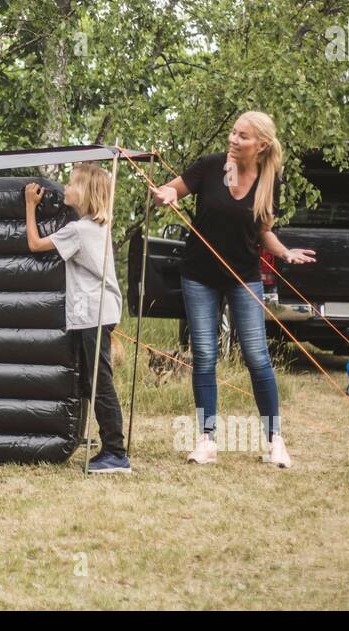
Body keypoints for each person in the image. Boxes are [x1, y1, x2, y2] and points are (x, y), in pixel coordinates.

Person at [149, 111, 315, 468]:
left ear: (261, 145)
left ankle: (275, 441)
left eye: (242, 136)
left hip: (243, 276)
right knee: (205, 355)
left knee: (257, 355)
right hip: (198, 275)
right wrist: (164, 195)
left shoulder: (270, 181)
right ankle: (206, 440)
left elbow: (263, 232)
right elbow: (171, 190)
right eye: (233, 132)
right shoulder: (209, 167)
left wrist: (284, 251)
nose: (233, 140)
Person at [24, 164, 130, 474]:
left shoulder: (79, 230)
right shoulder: (95, 227)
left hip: (92, 312)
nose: (65, 188)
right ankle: (106, 444)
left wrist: (30, 207)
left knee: (99, 382)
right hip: (99, 311)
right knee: (92, 380)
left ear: (84, 192)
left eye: (71, 184)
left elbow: (34, 244)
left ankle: (116, 451)